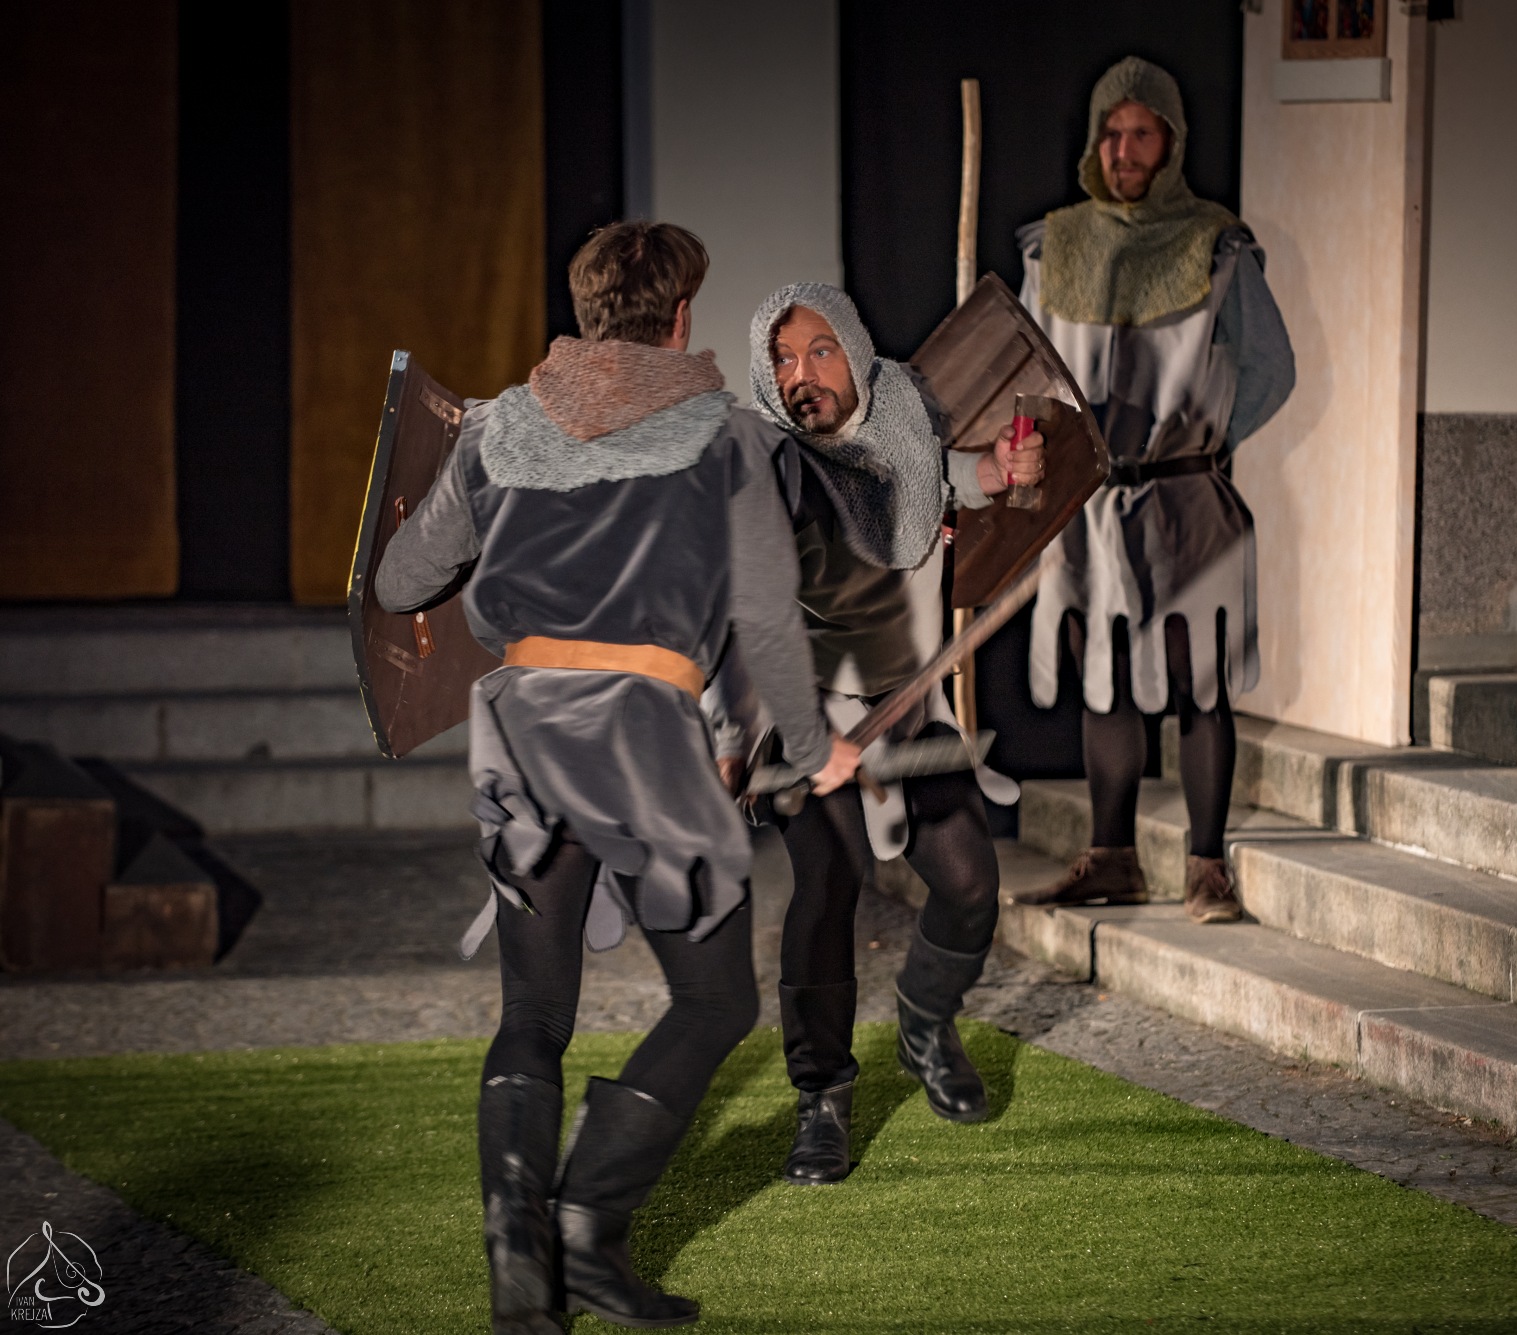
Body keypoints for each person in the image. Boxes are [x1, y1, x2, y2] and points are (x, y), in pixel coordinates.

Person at [376, 222, 857, 1333]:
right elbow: (764, 615)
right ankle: (587, 1227)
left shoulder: (496, 428)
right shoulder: (726, 436)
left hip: (520, 733)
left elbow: (400, 582)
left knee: (535, 1011)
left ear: (587, 311)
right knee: (715, 998)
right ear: (680, 317)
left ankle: (519, 1269)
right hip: (638, 735)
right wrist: (808, 742)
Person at [718, 282, 1041, 1186]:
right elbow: (739, 612)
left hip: (909, 707)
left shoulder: (903, 415)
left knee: (970, 883)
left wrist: (997, 472)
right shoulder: (768, 465)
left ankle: (925, 1021)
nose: (801, 374)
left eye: (819, 351)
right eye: (783, 359)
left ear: (855, 352)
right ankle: (821, 1093)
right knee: (828, 885)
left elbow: (934, 479)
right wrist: (744, 735)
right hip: (809, 716)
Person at [1008, 56, 1294, 923]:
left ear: (1171, 143)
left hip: (1184, 500)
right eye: (1113, 132)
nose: (1124, 150)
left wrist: (1203, 440)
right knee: (1106, 680)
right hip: (1088, 506)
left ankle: (1206, 868)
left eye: (1141, 133)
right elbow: (1025, 372)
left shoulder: (1216, 245)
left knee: (1196, 679)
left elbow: (1270, 367)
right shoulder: (1053, 248)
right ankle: (1112, 858)